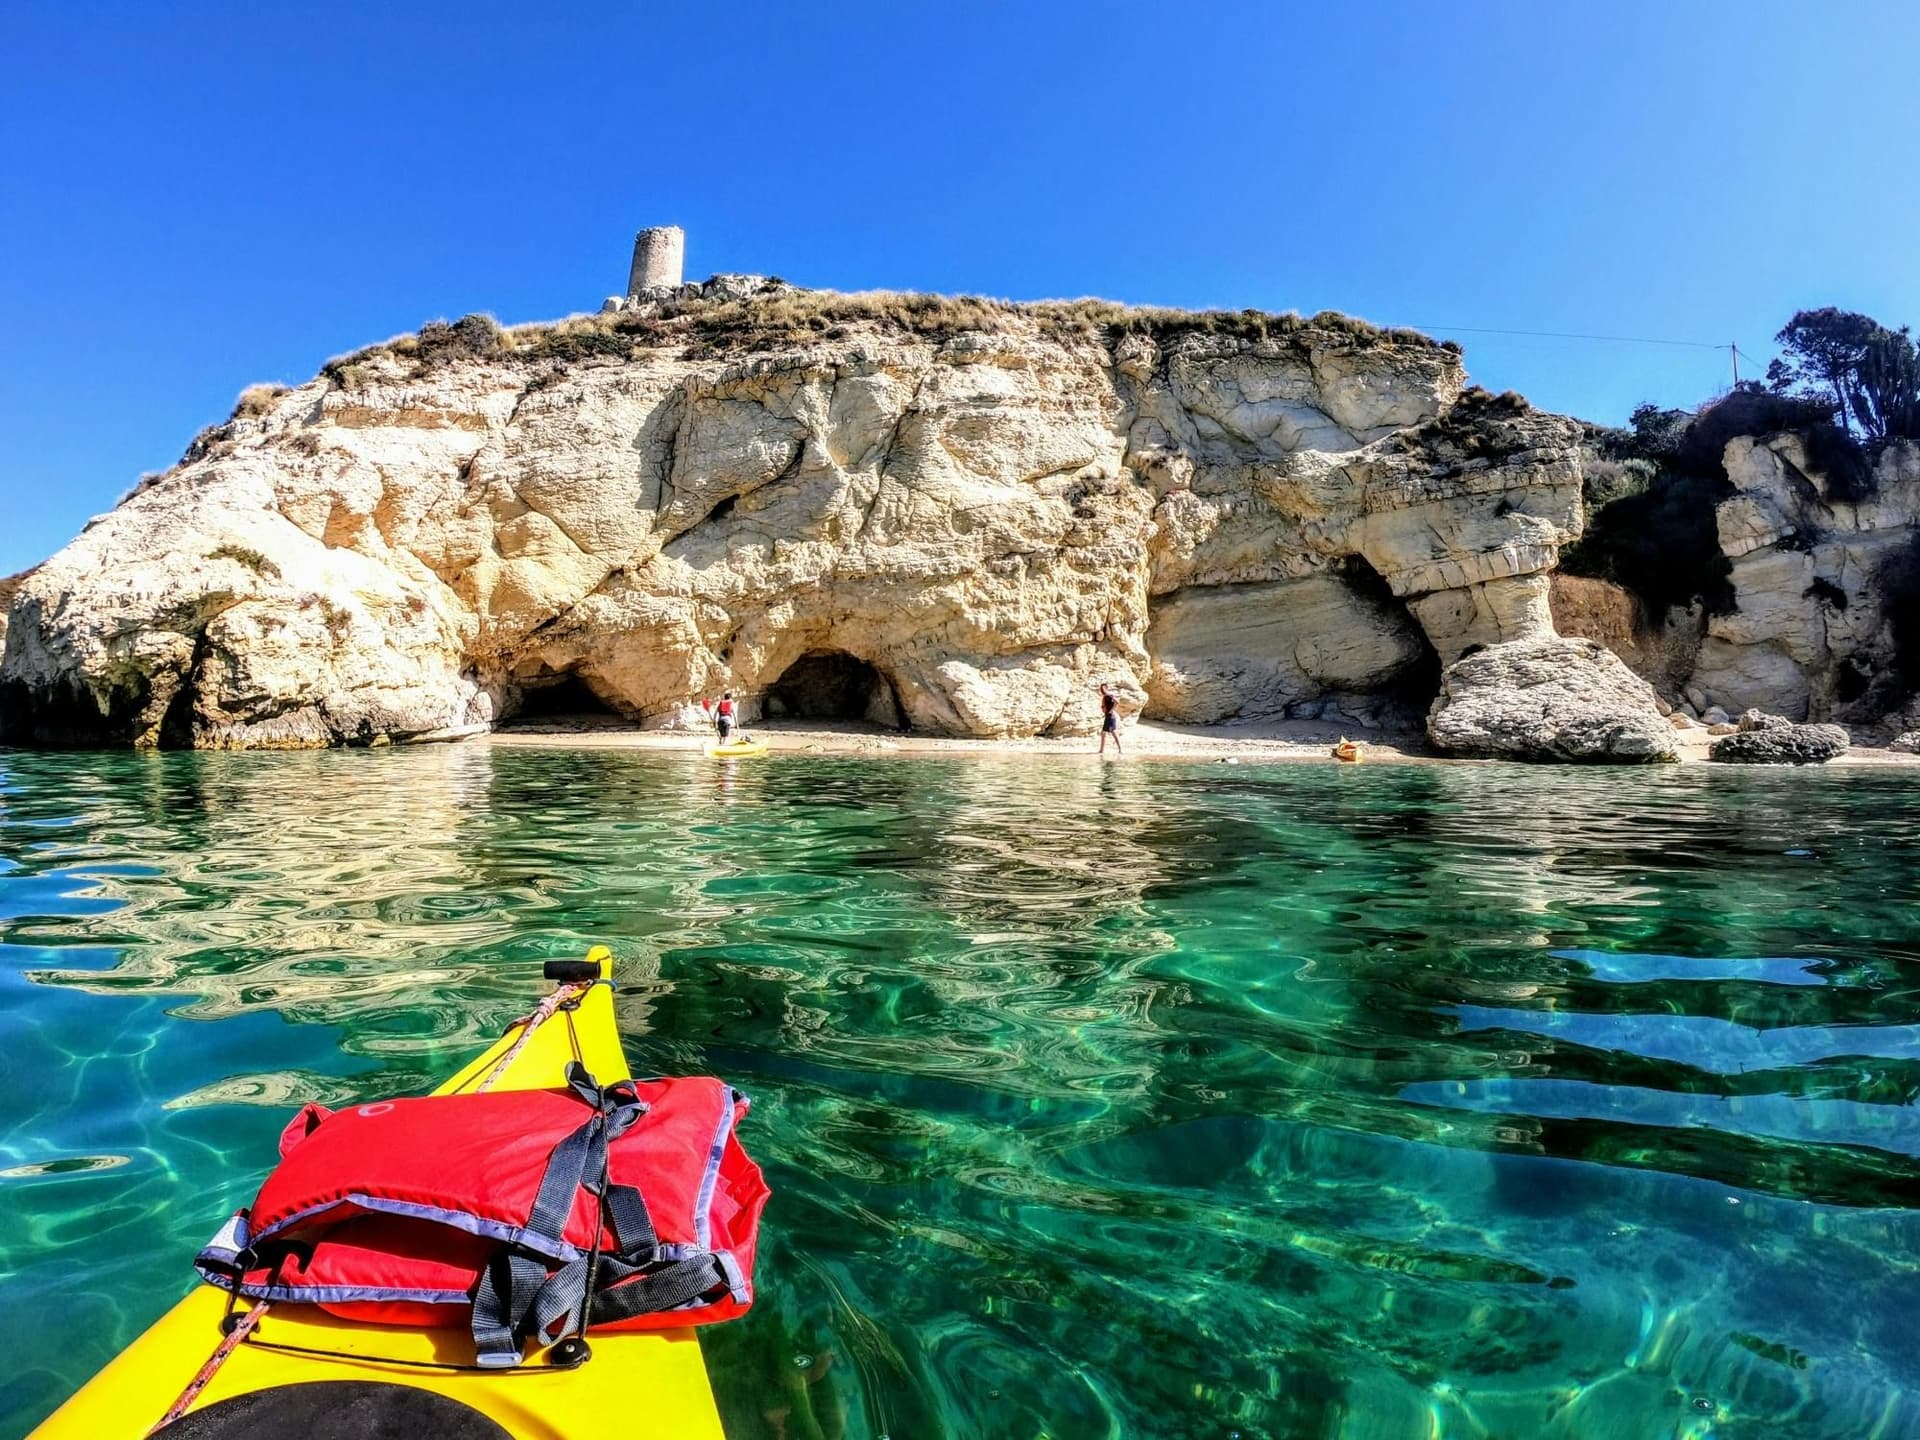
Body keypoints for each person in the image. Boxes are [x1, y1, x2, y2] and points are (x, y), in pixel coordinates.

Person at [1098, 683, 1122, 756]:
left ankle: (1120, 749)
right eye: (1101, 689)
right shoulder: (1106, 696)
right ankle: (1102, 750)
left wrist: (1111, 710)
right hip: (1108, 716)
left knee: (1113, 732)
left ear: (1106, 688)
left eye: (1103, 688)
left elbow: (1117, 702)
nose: (1102, 690)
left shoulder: (1108, 695)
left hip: (1111, 716)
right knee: (1103, 733)